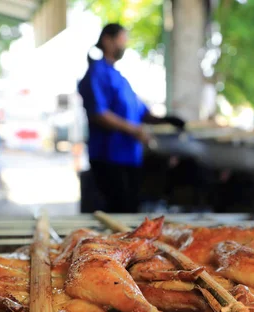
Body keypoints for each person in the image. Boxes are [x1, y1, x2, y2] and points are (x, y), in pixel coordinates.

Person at [78, 23, 185, 213]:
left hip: (130, 158)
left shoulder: (120, 77)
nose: (125, 44)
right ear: (107, 41)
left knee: (131, 209)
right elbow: (99, 114)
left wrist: (167, 120)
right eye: (122, 39)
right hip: (108, 158)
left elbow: (141, 113)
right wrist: (135, 130)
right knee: (117, 210)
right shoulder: (97, 73)